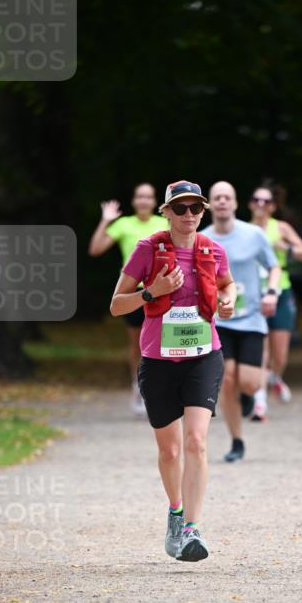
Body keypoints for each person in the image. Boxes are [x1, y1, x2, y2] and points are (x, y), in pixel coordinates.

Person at [110, 181, 236, 562]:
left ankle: (193, 529)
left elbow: (228, 284)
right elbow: (117, 305)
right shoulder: (147, 249)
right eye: (179, 208)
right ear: (166, 212)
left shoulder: (213, 250)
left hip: (203, 355)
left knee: (197, 441)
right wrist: (153, 290)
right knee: (170, 451)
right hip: (159, 360)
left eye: (195, 209)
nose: (188, 215)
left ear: (203, 212)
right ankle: (176, 512)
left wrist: (228, 301)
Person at [202, 182, 280, 460]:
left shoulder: (254, 235)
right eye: (217, 198)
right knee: (228, 380)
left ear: (235, 204)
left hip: (251, 320)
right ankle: (236, 442)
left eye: (228, 197)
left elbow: (273, 267)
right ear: (209, 204)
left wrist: (271, 292)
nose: (223, 201)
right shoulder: (202, 239)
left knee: (250, 383)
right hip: (218, 320)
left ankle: (250, 397)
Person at [89, 182, 166, 414]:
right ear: (134, 201)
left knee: (163, 340)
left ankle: (161, 388)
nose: (143, 201)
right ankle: (138, 386)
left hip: (161, 290)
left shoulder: (164, 224)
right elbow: (95, 249)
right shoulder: (124, 224)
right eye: (139, 196)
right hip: (134, 293)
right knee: (138, 344)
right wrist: (106, 219)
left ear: (155, 202)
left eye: (148, 197)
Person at [248, 185, 302, 418]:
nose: (261, 205)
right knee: (260, 348)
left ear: (273, 206)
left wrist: (286, 247)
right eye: (256, 200)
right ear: (250, 204)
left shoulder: (282, 228)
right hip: (254, 292)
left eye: (266, 201)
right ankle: (260, 401)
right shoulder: (243, 230)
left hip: (281, 290)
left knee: (280, 354)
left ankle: (276, 377)